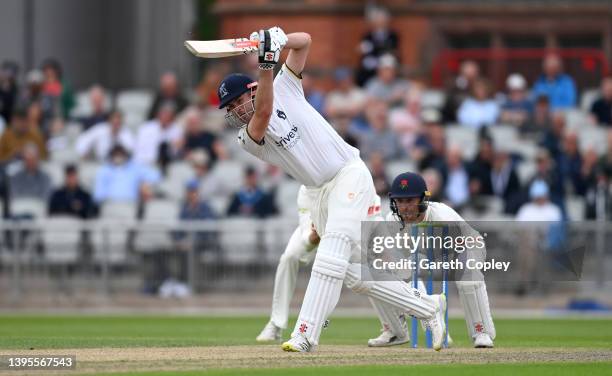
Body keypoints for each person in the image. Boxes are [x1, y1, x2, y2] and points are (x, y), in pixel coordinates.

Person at [217, 26, 445, 352]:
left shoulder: (285, 85)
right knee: (353, 273)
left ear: (251, 89)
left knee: (332, 251)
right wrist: (267, 64)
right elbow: (264, 112)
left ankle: (305, 335)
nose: (234, 111)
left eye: (237, 100)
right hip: (319, 193)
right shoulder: (248, 137)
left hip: (349, 174)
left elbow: (305, 42)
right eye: (229, 107)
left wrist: (281, 41)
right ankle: (428, 307)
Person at [372, 172, 496, 348]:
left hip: (463, 248)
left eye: (410, 201)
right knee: (379, 271)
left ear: (423, 199)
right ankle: (396, 329)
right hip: (423, 255)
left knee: (468, 273)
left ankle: (481, 332)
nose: (405, 207)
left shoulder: (442, 216)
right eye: (400, 201)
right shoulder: (392, 220)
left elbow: (468, 244)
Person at [93, 145, 160, 204]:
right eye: (116, 155)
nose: (118, 157)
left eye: (120, 155)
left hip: (131, 204)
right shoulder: (104, 170)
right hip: (109, 204)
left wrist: (145, 183)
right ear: (111, 156)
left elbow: (155, 176)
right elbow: (99, 193)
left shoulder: (134, 168)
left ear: (125, 156)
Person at [356, 6, 399, 86]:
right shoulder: (367, 36)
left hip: (386, 60)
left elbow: (392, 50)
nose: (380, 23)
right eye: (378, 20)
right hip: (371, 65)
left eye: (382, 20)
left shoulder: (392, 35)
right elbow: (363, 50)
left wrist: (374, 47)